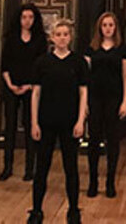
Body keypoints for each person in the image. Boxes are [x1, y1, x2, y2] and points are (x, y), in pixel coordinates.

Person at [28, 19, 88, 224]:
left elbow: (83, 93)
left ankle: (73, 210)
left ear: (70, 37)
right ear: (52, 38)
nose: (62, 38)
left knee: (70, 168)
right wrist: (34, 122)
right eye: (58, 34)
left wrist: (81, 121)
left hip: (70, 122)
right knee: (41, 168)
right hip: (46, 122)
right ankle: (36, 210)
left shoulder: (78, 62)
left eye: (65, 34)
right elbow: (36, 93)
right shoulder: (42, 62)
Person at [0, 3, 49, 182]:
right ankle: (7, 167)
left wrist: (31, 85)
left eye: (30, 17)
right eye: (24, 17)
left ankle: (30, 168)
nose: (27, 21)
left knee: (31, 126)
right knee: (10, 127)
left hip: (31, 88)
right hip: (12, 86)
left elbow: (41, 65)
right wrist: (11, 84)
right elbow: (5, 64)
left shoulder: (40, 39)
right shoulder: (11, 38)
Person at [85, 12, 126, 199]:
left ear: (115, 27)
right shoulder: (91, 49)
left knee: (113, 141)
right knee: (94, 141)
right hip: (94, 98)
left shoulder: (123, 49)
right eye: (104, 25)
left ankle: (110, 182)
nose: (108, 28)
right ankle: (93, 181)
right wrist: (84, 102)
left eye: (111, 25)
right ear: (100, 28)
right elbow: (85, 77)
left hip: (114, 98)